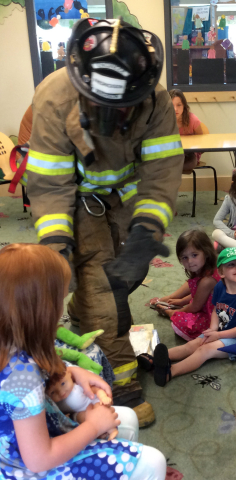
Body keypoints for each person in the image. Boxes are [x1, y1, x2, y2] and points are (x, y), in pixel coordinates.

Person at [22, 18, 185, 423]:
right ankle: (121, 384)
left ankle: (83, 311)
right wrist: (57, 245)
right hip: (77, 200)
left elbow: (161, 171)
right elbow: (50, 184)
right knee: (104, 290)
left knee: (126, 277)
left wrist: (147, 230)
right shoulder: (53, 99)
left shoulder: (157, 101)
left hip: (129, 196)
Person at [0, 243, 167, 480]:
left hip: (36, 437)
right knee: (153, 462)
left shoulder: (14, 342)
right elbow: (39, 459)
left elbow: (41, 364)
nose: (61, 309)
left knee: (127, 419)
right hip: (26, 468)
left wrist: (74, 370)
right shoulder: (22, 378)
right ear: (40, 310)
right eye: (59, 298)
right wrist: (93, 427)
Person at [151, 247, 236, 387]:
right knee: (192, 344)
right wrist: (213, 329)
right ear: (221, 272)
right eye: (231, 264)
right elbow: (216, 309)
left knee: (204, 350)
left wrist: (218, 334)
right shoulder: (220, 286)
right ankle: (153, 359)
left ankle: (171, 371)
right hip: (220, 332)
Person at [148, 229, 220, 341]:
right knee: (183, 304)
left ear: (206, 253)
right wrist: (181, 301)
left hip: (214, 317)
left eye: (194, 255)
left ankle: (168, 312)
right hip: (204, 302)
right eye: (184, 257)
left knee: (183, 321)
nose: (190, 261)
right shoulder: (202, 268)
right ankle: (170, 299)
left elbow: (195, 306)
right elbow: (198, 292)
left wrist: (175, 312)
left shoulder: (208, 280)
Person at [46, 365, 118, 441]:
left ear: (69, 374)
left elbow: (95, 389)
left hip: (94, 404)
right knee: (84, 419)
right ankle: (100, 434)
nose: (61, 392)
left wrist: (103, 397)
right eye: (53, 393)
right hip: (81, 414)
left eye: (63, 384)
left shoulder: (78, 386)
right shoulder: (56, 403)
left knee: (99, 410)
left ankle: (112, 430)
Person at [169, 89, 207, 173]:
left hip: (189, 154)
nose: (175, 109)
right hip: (172, 152)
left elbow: (202, 141)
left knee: (189, 164)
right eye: (172, 105)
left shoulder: (193, 120)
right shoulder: (165, 121)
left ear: (184, 106)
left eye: (179, 105)